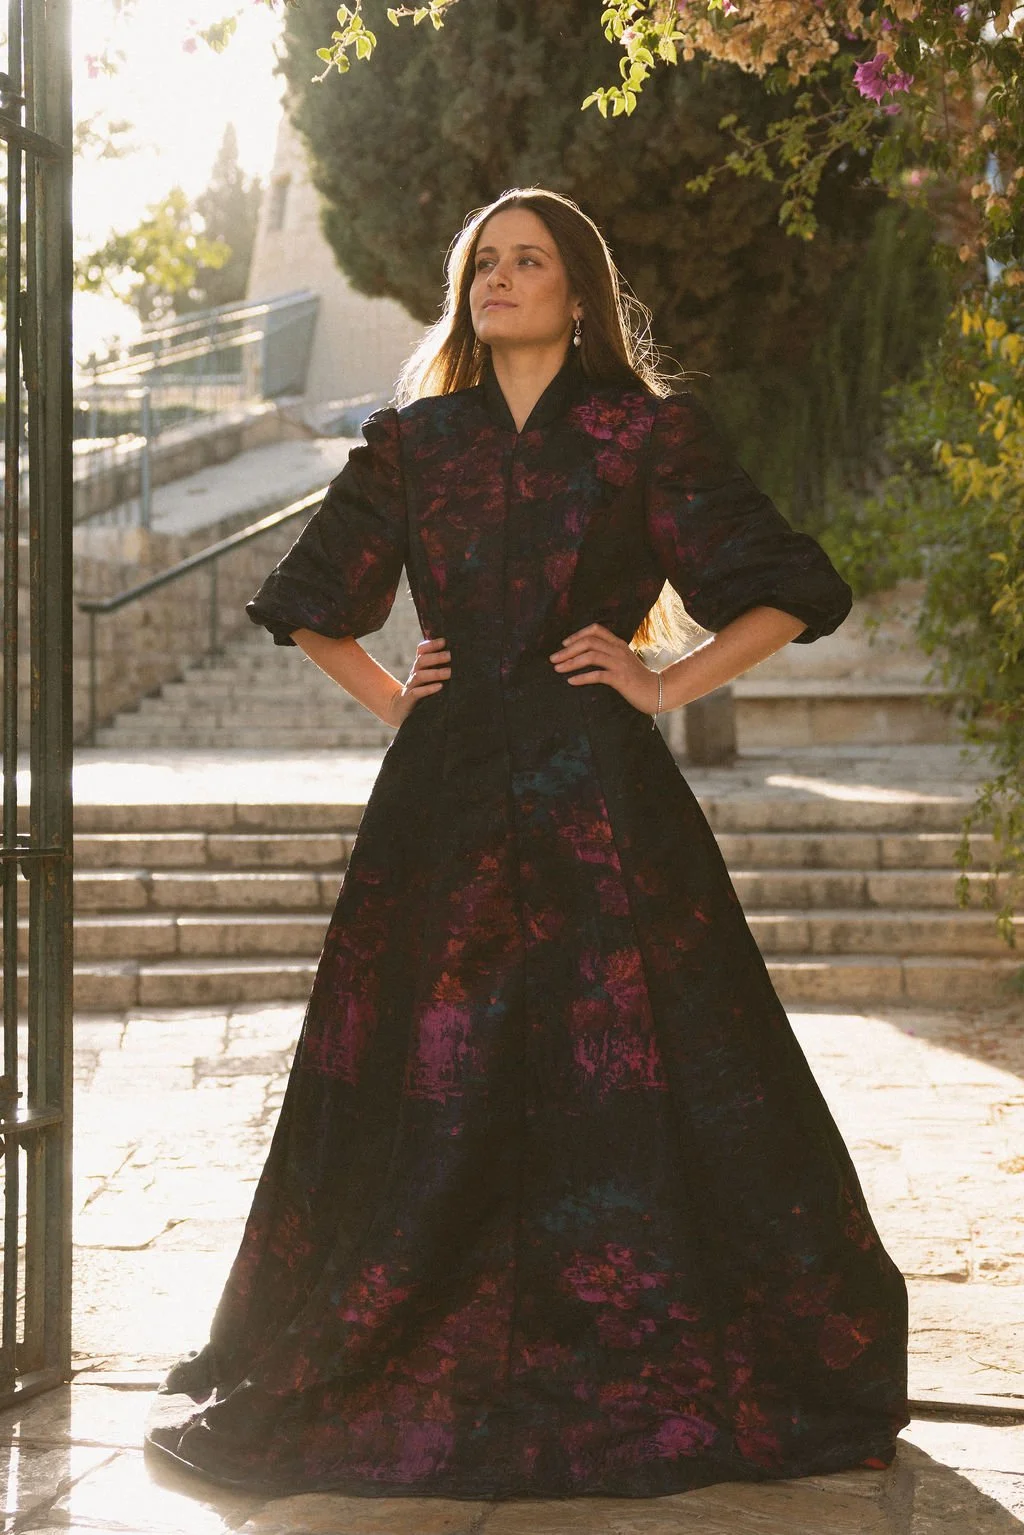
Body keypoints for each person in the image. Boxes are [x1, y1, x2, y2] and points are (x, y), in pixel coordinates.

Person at [145, 186, 908, 1501]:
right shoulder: (412, 439)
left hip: (600, 799)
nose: (498, 279)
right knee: (428, 1075)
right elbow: (313, 599)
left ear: (578, 287)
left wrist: (665, 680)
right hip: (440, 799)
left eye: (528, 259)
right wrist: (394, 696)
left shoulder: (642, 434)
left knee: (634, 1069)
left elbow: (792, 584)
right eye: (483, 262)